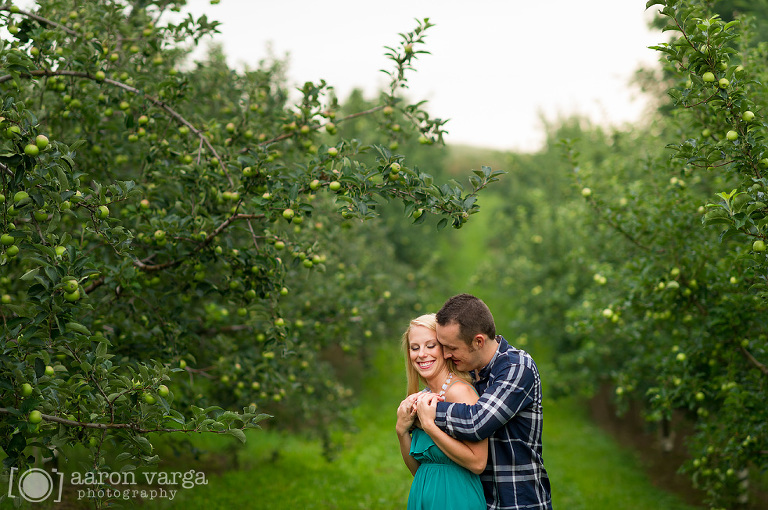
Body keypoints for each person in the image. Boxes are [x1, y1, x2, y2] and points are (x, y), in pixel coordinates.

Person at [416, 294, 552, 510]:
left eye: (452, 347)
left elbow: (477, 422)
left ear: (478, 341)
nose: (446, 354)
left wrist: (423, 412)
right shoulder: (465, 373)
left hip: (518, 502)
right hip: (477, 501)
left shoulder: (517, 367)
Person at [396, 313, 487, 510]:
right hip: (424, 495)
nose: (421, 354)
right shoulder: (423, 397)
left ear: (445, 349)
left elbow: (478, 463)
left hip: (456, 498)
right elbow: (419, 469)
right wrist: (401, 431)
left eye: (430, 346)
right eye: (415, 347)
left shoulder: (460, 392)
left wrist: (429, 426)